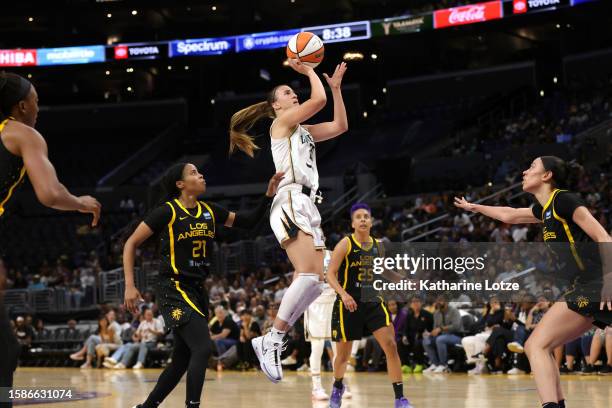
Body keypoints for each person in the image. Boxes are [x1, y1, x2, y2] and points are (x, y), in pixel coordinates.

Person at [455, 156, 612, 408]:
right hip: (583, 287)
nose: (525, 172)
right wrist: (476, 207)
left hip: (596, 284)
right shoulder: (545, 208)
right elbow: (511, 214)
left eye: (532, 168)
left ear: (547, 176)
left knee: (536, 345)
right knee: (539, 345)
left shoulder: (564, 199)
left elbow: (603, 236)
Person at [123, 162, 283, 408]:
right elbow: (131, 243)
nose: (201, 175)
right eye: (194, 173)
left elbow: (248, 221)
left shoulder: (210, 211)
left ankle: (146, 407)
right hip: (172, 288)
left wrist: (269, 193)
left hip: (198, 290)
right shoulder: (167, 212)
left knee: (181, 359)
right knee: (203, 347)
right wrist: (129, 285)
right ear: (180, 184)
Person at [229, 59, 348, 383]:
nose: (293, 94)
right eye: (287, 92)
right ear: (275, 106)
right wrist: (309, 71)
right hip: (291, 198)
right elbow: (317, 101)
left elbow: (339, 126)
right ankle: (272, 338)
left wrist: (336, 90)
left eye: (293, 91)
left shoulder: (304, 131)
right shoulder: (279, 125)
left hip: (308, 202)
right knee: (310, 274)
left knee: (319, 279)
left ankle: (274, 338)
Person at [0, 73, 100, 407]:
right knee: (5, 349)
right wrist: (81, 202)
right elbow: (49, 193)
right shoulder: (22, 134)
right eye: (37, 101)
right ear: (22, 105)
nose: (39, 108)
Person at [325, 203, 413, 408]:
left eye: (366, 216)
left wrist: (403, 280)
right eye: (359, 217)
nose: (363, 219)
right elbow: (330, 274)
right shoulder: (345, 244)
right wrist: (344, 295)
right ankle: (337, 387)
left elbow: (384, 272)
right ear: (353, 223)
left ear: (371, 221)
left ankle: (400, 399)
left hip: (373, 301)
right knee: (343, 357)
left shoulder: (378, 245)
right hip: (349, 304)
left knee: (391, 346)